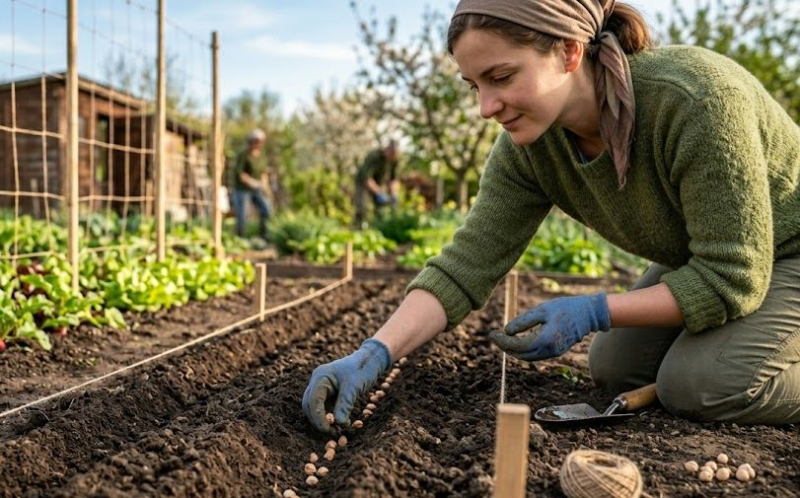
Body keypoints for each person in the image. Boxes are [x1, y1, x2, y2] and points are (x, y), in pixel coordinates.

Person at [303, 0, 800, 433]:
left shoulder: (696, 102)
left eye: (501, 77)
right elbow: (465, 266)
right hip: (712, 257)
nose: (485, 107)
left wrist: (595, 310)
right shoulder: (530, 147)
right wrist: (376, 352)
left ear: (569, 51)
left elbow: (731, 276)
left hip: (788, 247)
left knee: (702, 386)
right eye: (473, 85)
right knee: (615, 368)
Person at [231, 129, 272, 240]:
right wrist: (253, 182)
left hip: (257, 189)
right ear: (250, 141)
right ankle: (241, 238)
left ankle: (264, 235)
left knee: (266, 208)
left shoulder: (261, 155)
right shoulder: (243, 154)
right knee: (242, 214)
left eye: (259, 142)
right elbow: (240, 174)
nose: (257, 144)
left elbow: (263, 172)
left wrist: (264, 185)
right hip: (243, 189)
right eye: (255, 141)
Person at [354, 141, 400, 227]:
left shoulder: (394, 160)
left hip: (378, 181)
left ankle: (379, 226)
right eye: (391, 155)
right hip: (363, 180)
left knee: (381, 208)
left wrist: (394, 194)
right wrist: (379, 193)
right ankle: (358, 226)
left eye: (394, 156)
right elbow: (367, 178)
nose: (392, 158)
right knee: (362, 205)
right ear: (387, 150)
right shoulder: (374, 156)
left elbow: (393, 179)